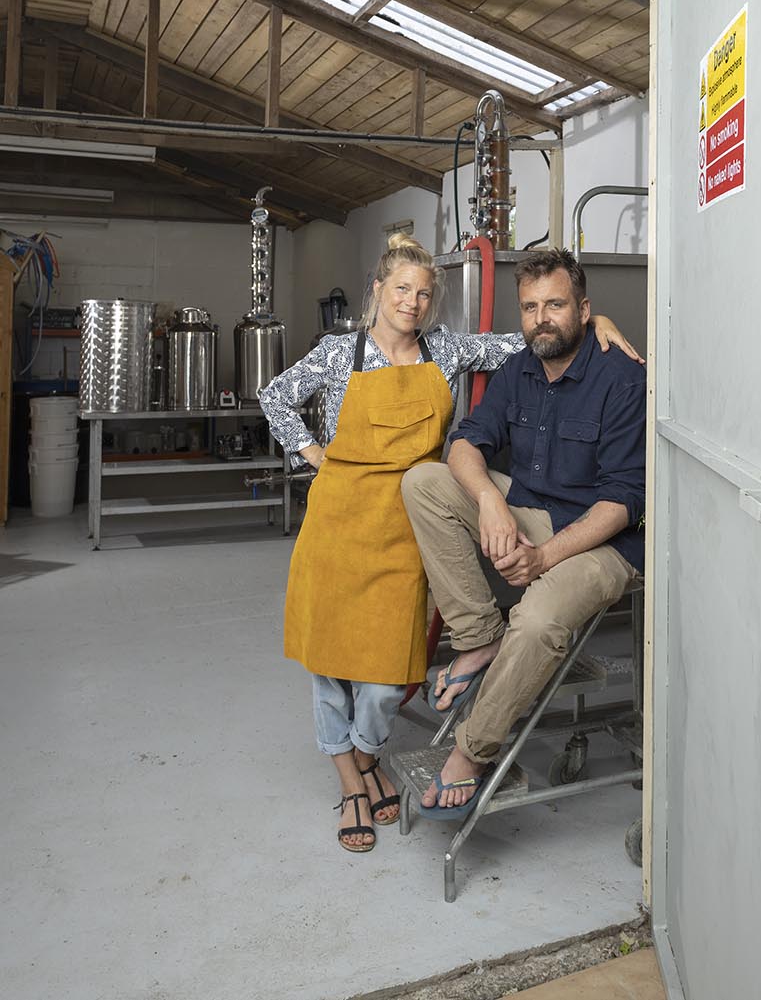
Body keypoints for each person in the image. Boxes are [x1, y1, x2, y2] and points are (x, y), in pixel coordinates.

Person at [259, 234, 640, 855]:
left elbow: (538, 339)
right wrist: (315, 457)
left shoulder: (448, 350)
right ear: (377, 291)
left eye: (423, 293)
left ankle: (370, 755)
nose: (411, 302)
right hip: (341, 521)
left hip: (404, 530)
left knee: (385, 673)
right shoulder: (338, 353)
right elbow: (274, 396)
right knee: (331, 665)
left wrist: (601, 321)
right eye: (400, 289)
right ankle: (353, 779)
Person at [401, 247, 646, 819]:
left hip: (604, 541)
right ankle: (479, 635)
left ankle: (473, 751)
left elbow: (622, 501)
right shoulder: (520, 370)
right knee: (424, 482)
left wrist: (543, 560)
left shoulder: (621, 377)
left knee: (536, 620)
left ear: (584, 309)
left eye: (555, 304)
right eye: (530, 307)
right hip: (533, 512)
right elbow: (466, 442)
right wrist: (490, 501)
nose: (542, 318)